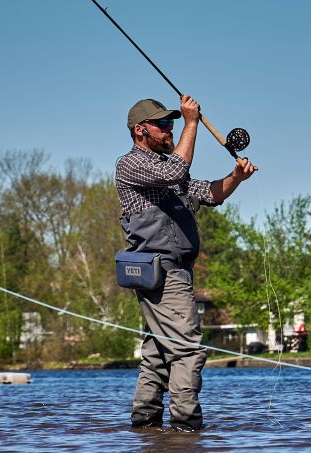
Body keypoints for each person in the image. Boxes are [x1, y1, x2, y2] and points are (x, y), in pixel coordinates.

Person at [116, 95, 258, 432]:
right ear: (140, 130)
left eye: (173, 123)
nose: (170, 129)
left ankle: (145, 429)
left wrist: (236, 177)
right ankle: (186, 431)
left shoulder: (170, 170)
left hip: (171, 271)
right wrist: (192, 122)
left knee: (157, 354)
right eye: (163, 124)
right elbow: (174, 170)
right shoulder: (130, 164)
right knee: (188, 349)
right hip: (162, 272)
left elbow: (210, 193)